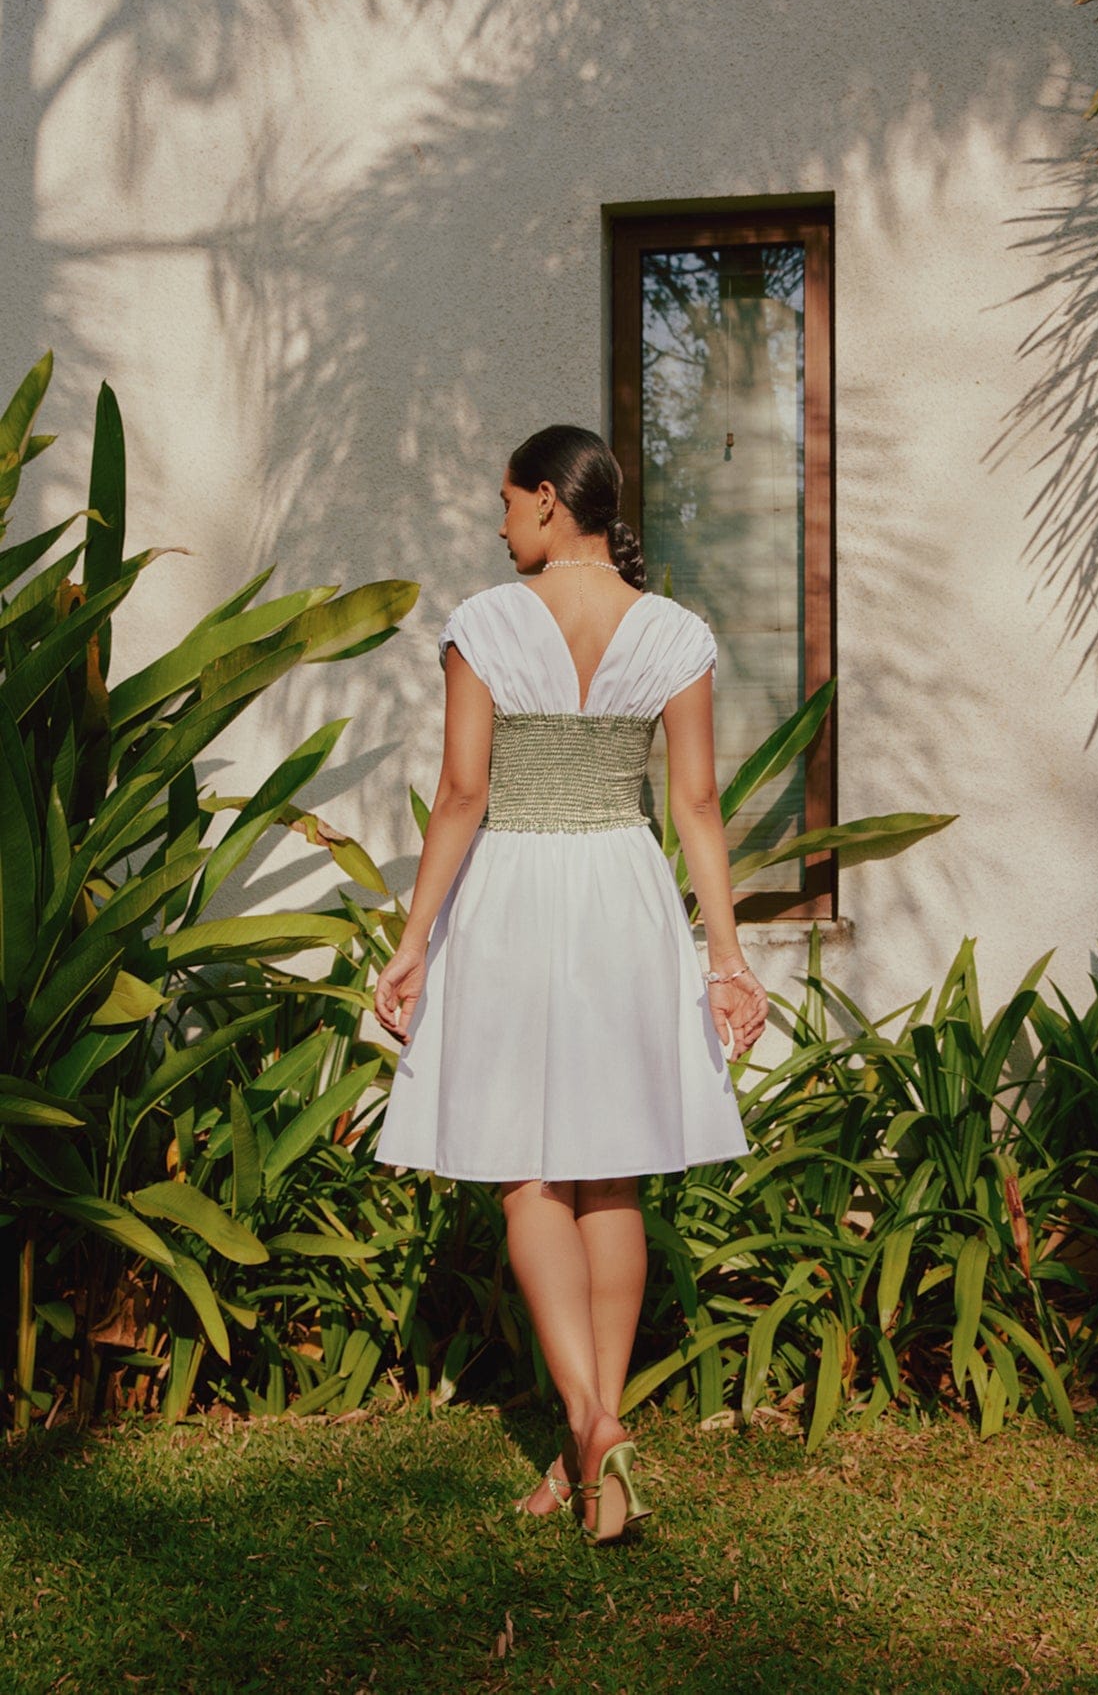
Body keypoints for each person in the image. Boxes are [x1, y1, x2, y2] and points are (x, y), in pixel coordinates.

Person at [373, 424, 768, 1543]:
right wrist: (725, 957)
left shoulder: (485, 624)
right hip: (624, 892)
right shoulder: (675, 631)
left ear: (549, 503)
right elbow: (693, 806)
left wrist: (411, 942)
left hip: (513, 891)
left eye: (506, 504)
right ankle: (591, 1452)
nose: (499, 527)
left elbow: (459, 794)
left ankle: (593, 1426)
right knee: (613, 1175)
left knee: (526, 1171)